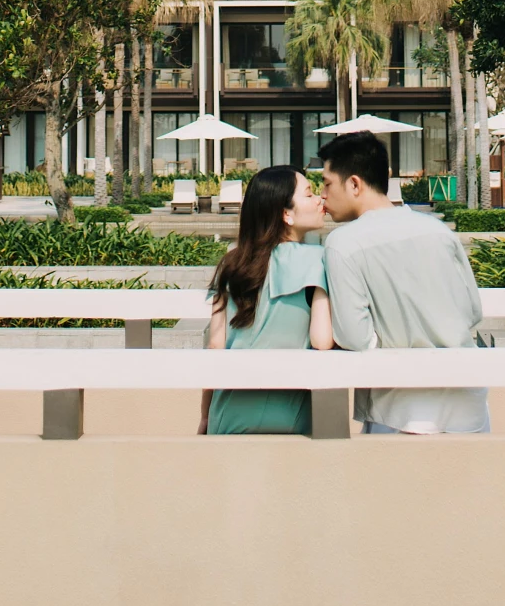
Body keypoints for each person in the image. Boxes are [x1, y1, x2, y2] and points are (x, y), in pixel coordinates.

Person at [319, 131, 488, 435]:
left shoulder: (343, 244)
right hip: (466, 401)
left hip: (397, 408)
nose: (323, 194)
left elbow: (355, 337)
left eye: (327, 183)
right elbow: (472, 311)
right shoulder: (437, 231)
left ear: (354, 184)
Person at [199, 164, 333, 435]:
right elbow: (321, 341)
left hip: (227, 415)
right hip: (289, 417)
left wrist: (204, 416)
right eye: (309, 194)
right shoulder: (318, 260)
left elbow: (216, 345)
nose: (320, 199)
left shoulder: (232, 263)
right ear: (286, 214)